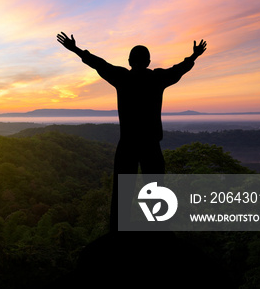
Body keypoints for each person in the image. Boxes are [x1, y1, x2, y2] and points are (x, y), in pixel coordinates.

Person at [56, 32, 206, 231]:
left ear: (129, 61)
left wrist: (75, 49)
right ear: (148, 61)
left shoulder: (122, 77)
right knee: (156, 189)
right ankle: (158, 233)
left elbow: (99, 63)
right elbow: (178, 69)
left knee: (122, 191)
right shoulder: (156, 78)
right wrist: (194, 56)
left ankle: (117, 233)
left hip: (127, 143)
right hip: (151, 143)